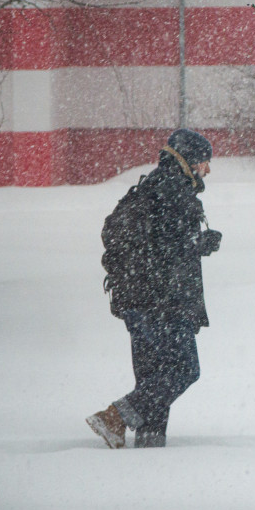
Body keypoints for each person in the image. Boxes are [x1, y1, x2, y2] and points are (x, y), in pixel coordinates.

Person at [87, 129, 222, 448]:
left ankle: (149, 449)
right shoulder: (172, 190)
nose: (207, 169)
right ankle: (115, 418)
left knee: (153, 380)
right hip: (162, 303)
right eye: (204, 161)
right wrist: (199, 243)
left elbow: (151, 244)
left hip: (137, 300)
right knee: (183, 369)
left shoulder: (152, 186)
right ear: (189, 159)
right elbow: (165, 249)